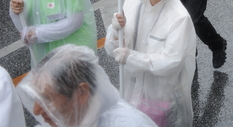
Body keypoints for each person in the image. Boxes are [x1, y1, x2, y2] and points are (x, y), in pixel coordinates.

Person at [105, 0, 196, 127]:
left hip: (161, 100)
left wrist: (132, 57)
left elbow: (171, 61)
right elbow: (112, 49)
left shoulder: (179, 17)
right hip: (131, 92)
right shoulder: (131, 4)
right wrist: (116, 32)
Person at [17, 44, 157, 127]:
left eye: (46, 99)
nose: (36, 110)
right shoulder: (67, 121)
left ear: (81, 93)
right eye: (36, 98)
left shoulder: (130, 124)